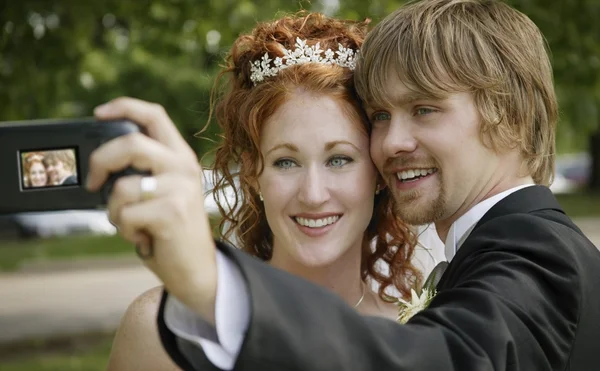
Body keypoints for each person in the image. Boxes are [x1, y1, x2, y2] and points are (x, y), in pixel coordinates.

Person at [86, 0, 600, 369]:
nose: (394, 142)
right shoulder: (159, 326)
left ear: (510, 116)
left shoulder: (538, 253)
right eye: (380, 116)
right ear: (252, 172)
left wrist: (209, 281)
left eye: (425, 109)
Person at [101, 12, 443, 371]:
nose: (313, 194)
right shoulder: (161, 329)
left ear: (376, 171)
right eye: (285, 162)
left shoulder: (420, 336)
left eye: (339, 159)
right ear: (252, 173)